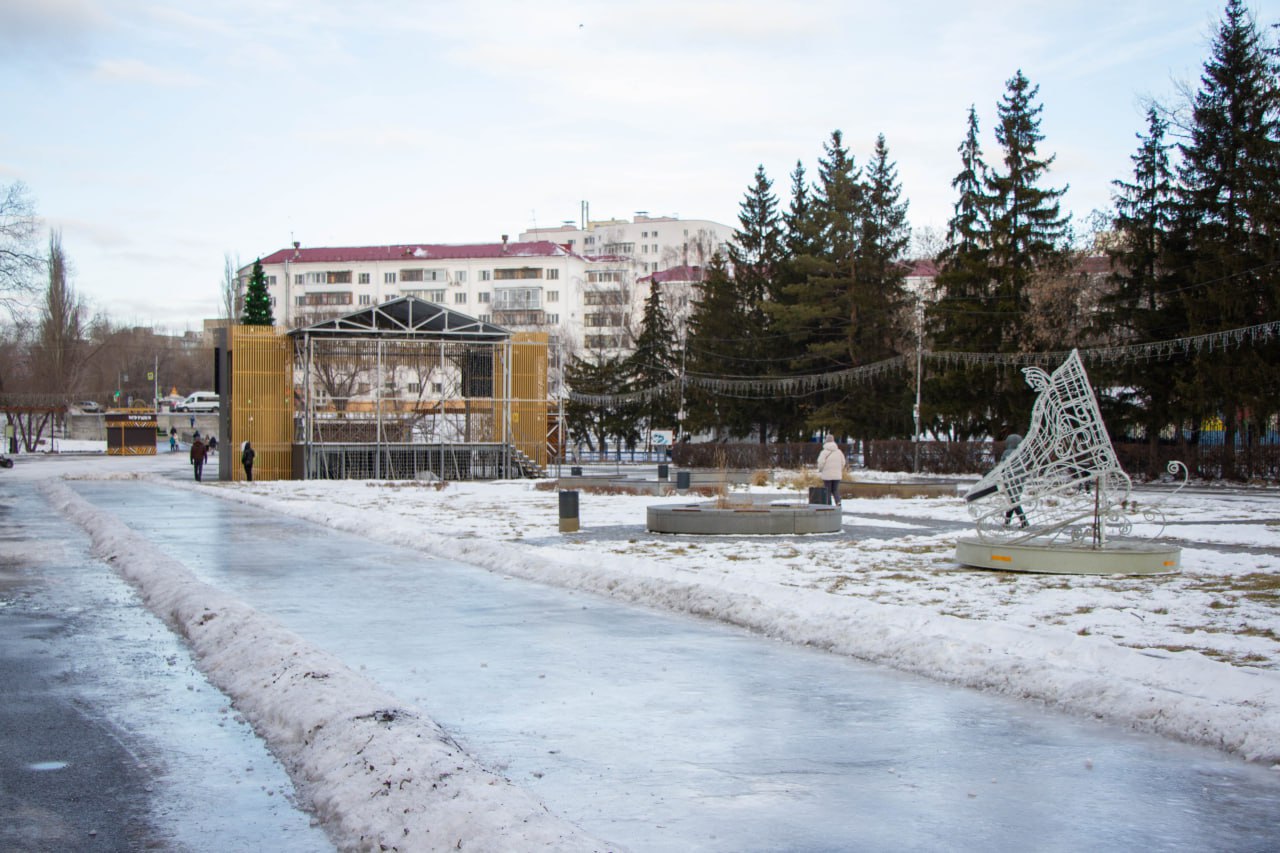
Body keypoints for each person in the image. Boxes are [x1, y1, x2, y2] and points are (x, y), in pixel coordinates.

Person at [1001, 433, 1028, 527]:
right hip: (1020, 479)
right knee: (1012, 500)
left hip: (1009, 479)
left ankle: (1024, 521)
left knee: (1013, 500)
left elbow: (1002, 466)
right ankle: (1007, 522)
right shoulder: (1022, 453)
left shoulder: (1007, 453)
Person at [815, 434, 846, 506]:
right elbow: (843, 462)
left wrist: (821, 469)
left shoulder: (824, 452)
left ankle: (829, 504)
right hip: (837, 475)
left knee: (827, 490)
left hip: (827, 475)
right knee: (835, 490)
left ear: (826, 441)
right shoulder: (839, 452)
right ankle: (838, 502)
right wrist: (838, 469)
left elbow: (820, 463)